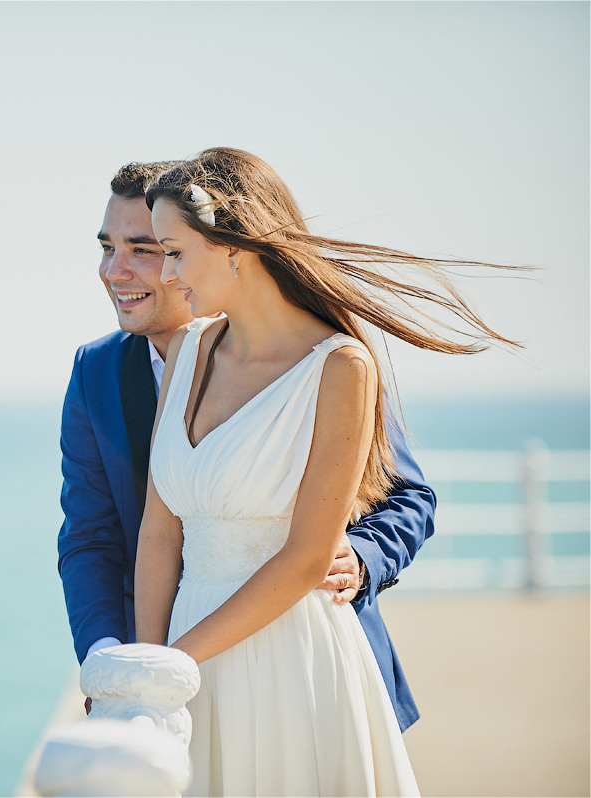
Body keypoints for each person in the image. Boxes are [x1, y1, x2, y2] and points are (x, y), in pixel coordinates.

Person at [134, 147, 519, 795]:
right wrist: (148, 678)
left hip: (291, 657)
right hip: (184, 660)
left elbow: (307, 558)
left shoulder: (341, 368)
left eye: (174, 250)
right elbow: (159, 530)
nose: (168, 275)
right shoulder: (188, 351)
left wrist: (175, 660)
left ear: (236, 244)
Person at [58, 161, 436, 733]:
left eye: (147, 248)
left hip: (299, 657)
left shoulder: (320, 363)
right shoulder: (98, 370)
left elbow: (405, 494)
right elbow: (91, 535)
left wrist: (358, 558)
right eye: (107, 247)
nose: (115, 270)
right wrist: (117, 664)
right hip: (167, 670)